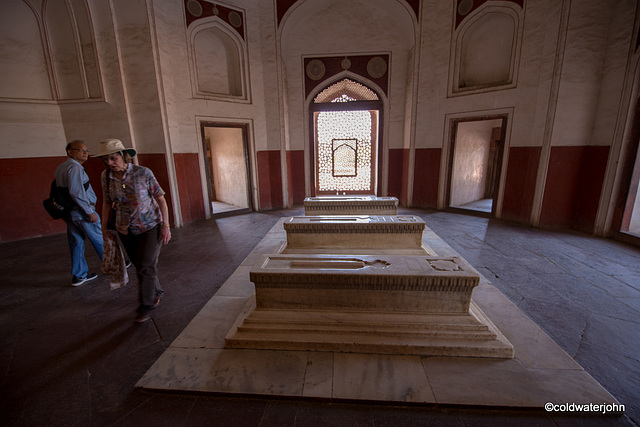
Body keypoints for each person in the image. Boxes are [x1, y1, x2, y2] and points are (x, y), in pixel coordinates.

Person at [96, 139, 171, 323]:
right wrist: (104, 227)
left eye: (113, 158)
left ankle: (146, 306)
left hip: (150, 226)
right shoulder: (106, 177)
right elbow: (107, 203)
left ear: (123, 156)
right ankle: (157, 291)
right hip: (125, 228)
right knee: (141, 265)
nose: (110, 163)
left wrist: (166, 225)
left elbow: (160, 199)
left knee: (145, 265)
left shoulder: (143, 173)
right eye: (106, 160)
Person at [55, 140, 103, 286]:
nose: (85, 153)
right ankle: (114, 266)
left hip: (69, 211)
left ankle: (79, 275)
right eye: (81, 150)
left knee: (76, 242)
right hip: (82, 211)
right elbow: (76, 192)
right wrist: (89, 212)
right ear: (70, 152)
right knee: (99, 238)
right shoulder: (74, 168)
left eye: (87, 150)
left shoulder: (61, 167)